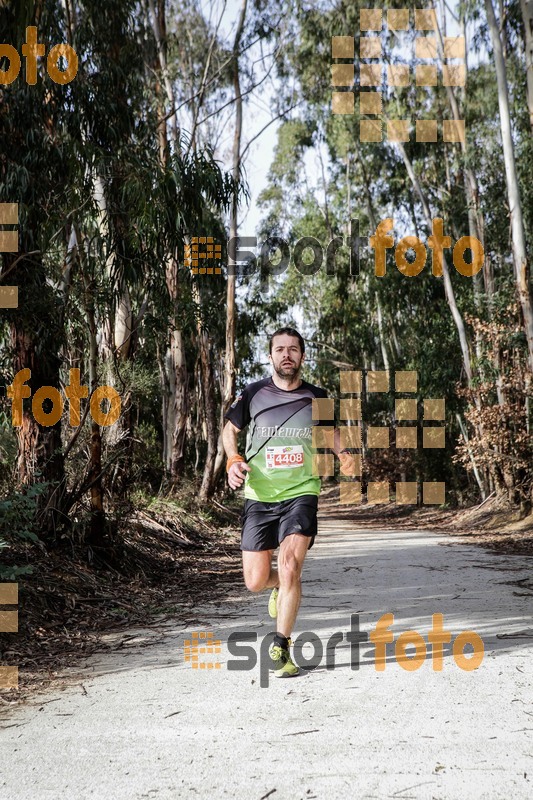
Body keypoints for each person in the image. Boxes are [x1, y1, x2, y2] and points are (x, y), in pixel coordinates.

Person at [222, 327, 356, 678]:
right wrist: (233, 459)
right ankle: (278, 586)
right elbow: (229, 430)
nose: (286, 355)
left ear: (302, 356)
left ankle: (281, 644)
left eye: (293, 349)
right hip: (259, 495)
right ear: (271, 356)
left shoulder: (317, 396)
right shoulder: (252, 394)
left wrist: (344, 454)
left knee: (291, 563)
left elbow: (329, 430)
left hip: (302, 492)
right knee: (256, 580)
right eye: (279, 349)